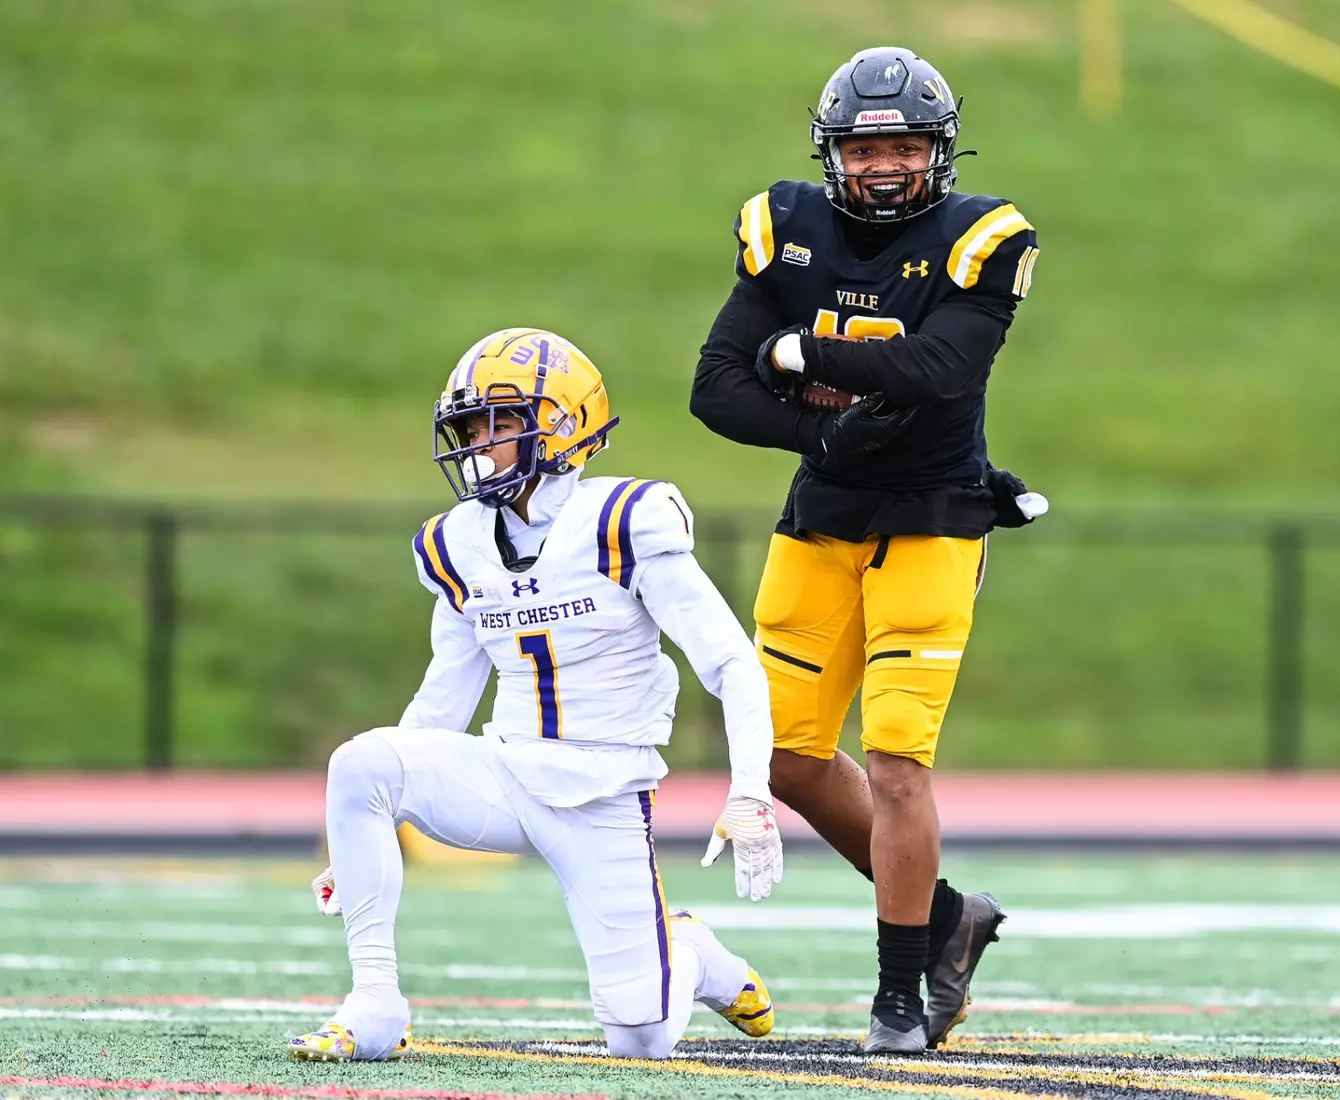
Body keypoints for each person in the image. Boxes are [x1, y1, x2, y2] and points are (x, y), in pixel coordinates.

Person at [290, 327, 783, 1062]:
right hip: (508, 773)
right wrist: (366, 831)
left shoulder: (623, 521)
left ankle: (694, 954)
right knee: (361, 764)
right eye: (469, 426)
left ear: (561, 423)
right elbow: (443, 694)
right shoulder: (459, 541)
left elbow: (731, 662)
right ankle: (375, 1003)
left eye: (498, 423)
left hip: (605, 791)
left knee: (641, 1040)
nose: (475, 444)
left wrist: (750, 790)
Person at [689, 47, 1047, 1053]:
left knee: (895, 758)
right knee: (786, 757)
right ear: (832, 152)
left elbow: (934, 368)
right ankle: (945, 919)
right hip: (824, 515)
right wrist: (822, 431)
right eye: (865, 146)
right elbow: (715, 385)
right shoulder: (786, 228)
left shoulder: (983, 237)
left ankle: (899, 992)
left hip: (934, 517)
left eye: (902, 146)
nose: (884, 166)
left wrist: (798, 353)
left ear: (937, 152)